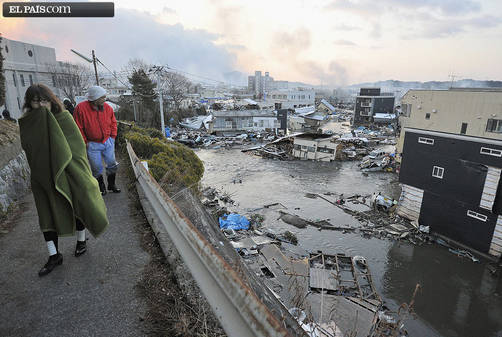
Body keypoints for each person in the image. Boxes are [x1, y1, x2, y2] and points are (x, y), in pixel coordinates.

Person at [19, 84, 109, 277]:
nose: (41, 105)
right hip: (42, 176)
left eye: (44, 101)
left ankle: (81, 240)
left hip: (69, 171)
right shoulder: (28, 123)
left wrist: (71, 168)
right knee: (46, 213)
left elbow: (77, 149)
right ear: (30, 103)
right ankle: (54, 256)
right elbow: (30, 149)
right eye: (36, 101)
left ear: (51, 101)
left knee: (75, 205)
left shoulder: (64, 118)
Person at [73, 86, 120, 195]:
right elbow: (78, 127)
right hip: (92, 143)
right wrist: (85, 142)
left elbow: (113, 122)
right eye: (102, 97)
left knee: (112, 163)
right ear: (95, 98)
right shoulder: (80, 109)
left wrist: (113, 137)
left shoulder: (107, 108)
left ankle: (111, 184)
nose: (105, 99)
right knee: (96, 167)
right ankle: (101, 187)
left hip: (108, 141)